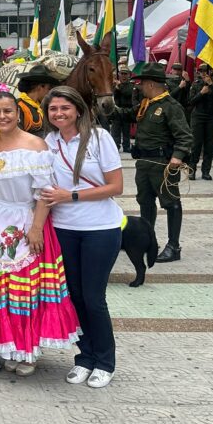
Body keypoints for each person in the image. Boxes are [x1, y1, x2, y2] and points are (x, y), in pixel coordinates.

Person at [0, 90, 80, 375]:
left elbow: (44, 192)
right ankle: (6, 345)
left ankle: (27, 351)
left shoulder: (35, 146)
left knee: (25, 292)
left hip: (27, 222)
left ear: (18, 112)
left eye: (8, 111)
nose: (2, 116)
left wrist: (36, 228)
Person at [39, 85, 124, 388]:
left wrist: (70, 195)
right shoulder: (47, 143)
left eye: (64, 108)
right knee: (74, 298)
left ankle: (105, 361)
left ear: (78, 109)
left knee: (93, 297)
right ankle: (85, 357)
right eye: (53, 109)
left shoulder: (99, 139)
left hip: (100, 229)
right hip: (64, 230)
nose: (59, 113)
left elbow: (116, 187)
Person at [125, 63, 193, 262]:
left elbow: (185, 135)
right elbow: (127, 115)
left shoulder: (170, 106)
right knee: (145, 202)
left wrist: (178, 156)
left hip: (163, 163)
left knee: (171, 203)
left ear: (152, 84)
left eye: (142, 83)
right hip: (144, 162)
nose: (139, 87)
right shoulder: (147, 104)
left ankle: (174, 246)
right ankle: (148, 240)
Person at [188, 66, 213, 180]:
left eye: (205, 72)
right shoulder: (196, 84)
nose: (203, 74)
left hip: (212, 117)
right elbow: (191, 101)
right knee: (196, 145)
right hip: (198, 117)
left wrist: (211, 85)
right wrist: (201, 93)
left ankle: (206, 171)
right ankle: (192, 170)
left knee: (209, 146)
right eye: (201, 72)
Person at [17, 66, 58, 136]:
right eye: (49, 88)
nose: (49, 92)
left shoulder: (43, 106)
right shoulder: (19, 106)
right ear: (41, 86)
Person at [110, 67, 136, 151]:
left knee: (126, 130)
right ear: (119, 75)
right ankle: (115, 146)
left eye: (126, 74)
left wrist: (119, 88)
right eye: (122, 74)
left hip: (127, 111)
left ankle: (126, 146)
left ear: (129, 75)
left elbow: (127, 93)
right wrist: (116, 88)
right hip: (117, 110)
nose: (124, 76)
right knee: (115, 130)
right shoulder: (116, 85)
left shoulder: (131, 86)